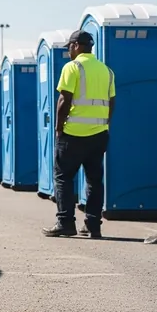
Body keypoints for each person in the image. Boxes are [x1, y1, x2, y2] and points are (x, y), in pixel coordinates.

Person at [42, 30, 115, 239]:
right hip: (98, 135)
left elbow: (64, 100)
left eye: (69, 47)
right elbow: (111, 102)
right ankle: (93, 226)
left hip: (73, 134)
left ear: (76, 45)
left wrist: (59, 128)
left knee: (63, 178)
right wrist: (104, 125)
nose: (68, 51)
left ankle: (65, 223)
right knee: (94, 181)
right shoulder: (107, 71)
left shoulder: (72, 67)